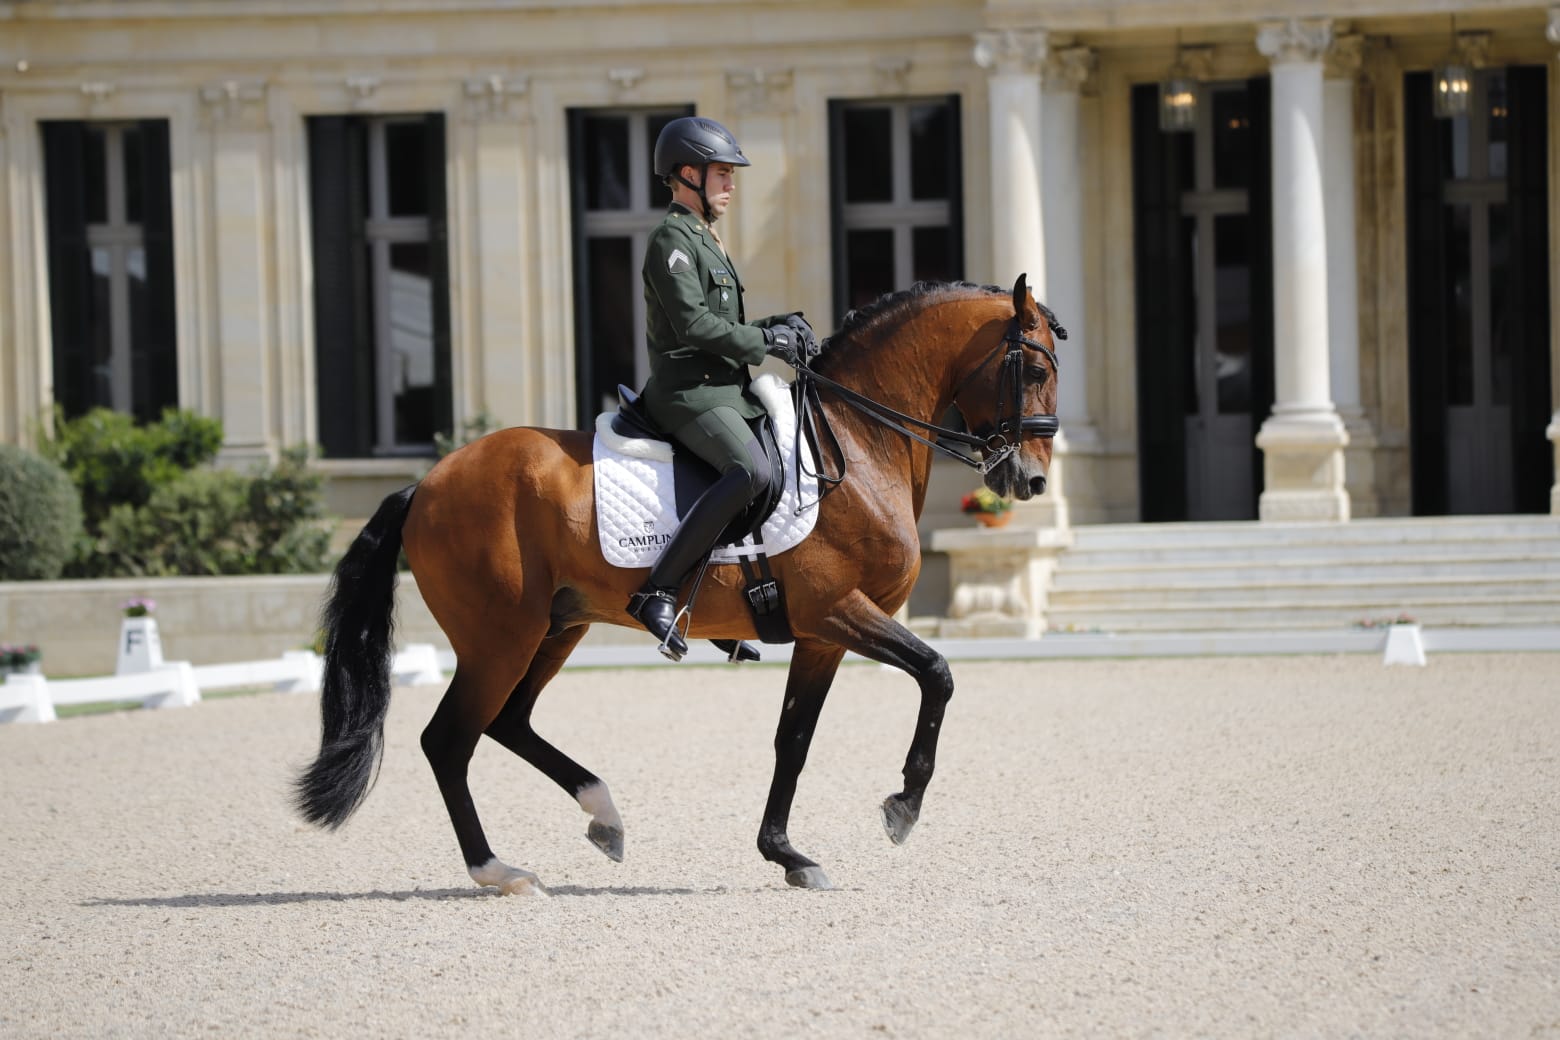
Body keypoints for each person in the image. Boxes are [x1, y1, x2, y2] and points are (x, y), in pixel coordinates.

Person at [626, 115, 816, 659]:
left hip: (726, 390)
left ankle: (713, 601)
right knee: (749, 471)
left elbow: (724, 321)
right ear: (688, 174)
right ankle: (656, 592)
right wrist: (766, 344)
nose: (731, 185)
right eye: (722, 174)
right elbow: (693, 326)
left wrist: (778, 326)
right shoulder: (672, 239)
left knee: (780, 465)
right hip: (689, 393)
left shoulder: (707, 238)